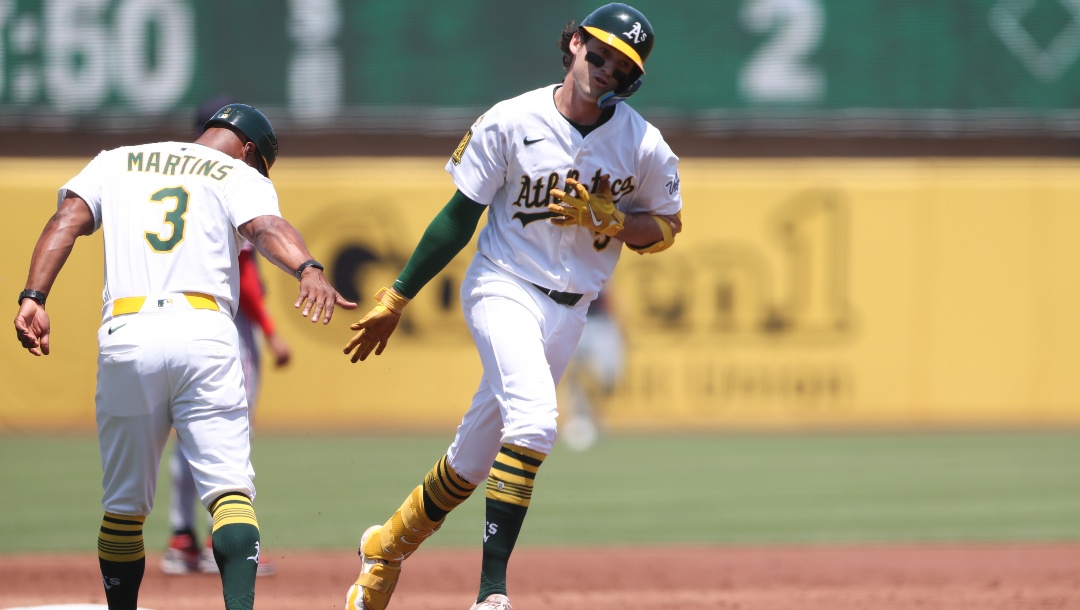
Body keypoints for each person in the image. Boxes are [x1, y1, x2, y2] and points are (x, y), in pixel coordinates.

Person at [340, 4, 682, 610]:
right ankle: (491, 594)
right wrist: (397, 295)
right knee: (535, 423)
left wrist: (616, 220)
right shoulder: (510, 120)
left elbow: (667, 227)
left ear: (632, 78)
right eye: (597, 53)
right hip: (503, 286)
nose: (603, 69)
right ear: (574, 44)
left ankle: (385, 546)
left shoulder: (642, 145)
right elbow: (457, 219)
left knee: (472, 459)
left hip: (572, 311)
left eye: (620, 66)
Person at [13, 103, 357, 610]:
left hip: (127, 332)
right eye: (260, 164)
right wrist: (307, 267)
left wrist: (34, 297)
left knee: (124, 508)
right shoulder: (235, 172)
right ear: (249, 150)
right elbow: (265, 228)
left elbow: (67, 219)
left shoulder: (116, 159)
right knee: (230, 494)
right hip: (205, 332)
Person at [161, 98, 292, 578]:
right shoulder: (227, 184)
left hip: (156, 317)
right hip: (220, 326)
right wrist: (274, 334)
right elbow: (249, 278)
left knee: (181, 434)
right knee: (224, 437)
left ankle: (181, 536)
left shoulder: (166, 176)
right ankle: (230, 550)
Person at [558, 289, 625, 451]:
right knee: (573, 374)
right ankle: (576, 418)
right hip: (576, 318)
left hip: (601, 322)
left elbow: (610, 293)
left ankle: (594, 414)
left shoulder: (602, 265)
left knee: (606, 378)